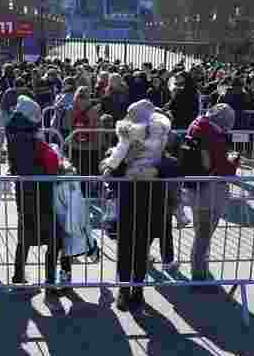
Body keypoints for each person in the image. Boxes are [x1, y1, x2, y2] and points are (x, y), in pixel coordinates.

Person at [101, 99, 171, 311]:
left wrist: (109, 166)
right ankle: (134, 291)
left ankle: (128, 290)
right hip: (145, 191)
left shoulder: (129, 132)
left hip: (133, 191)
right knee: (139, 244)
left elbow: (117, 157)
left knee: (130, 244)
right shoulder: (161, 132)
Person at [6, 96, 71, 297]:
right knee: (53, 236)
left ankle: (19, 277)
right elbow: (31, 168)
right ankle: (49, 282)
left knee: (26, 236)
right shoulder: (25, 137)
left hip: (27, 193)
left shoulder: (16, 133)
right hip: (40, 193)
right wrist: (55, 169)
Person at [183, 103, 240, 290]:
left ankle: (200, 271)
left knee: (201, 232)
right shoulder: (214, 135)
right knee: (204, 234)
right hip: (211, 188)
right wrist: (234, 160)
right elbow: (223, 167)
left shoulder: (196, 125)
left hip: (195, 185)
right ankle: (199, 276)